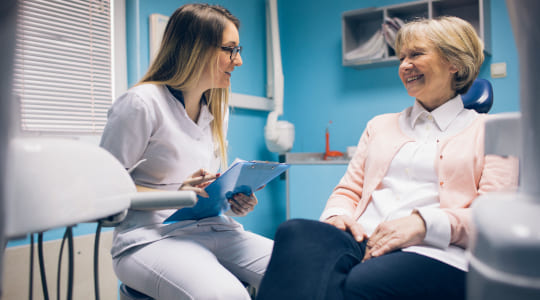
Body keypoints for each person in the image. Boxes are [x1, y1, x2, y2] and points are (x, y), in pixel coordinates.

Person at [256, 16, 519, 300]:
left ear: (454, 62)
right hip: (359, 239)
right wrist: (338, 217)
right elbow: (349, 190)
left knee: (356, 283)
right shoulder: (379, 125)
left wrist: (424, 224)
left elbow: (493, 219)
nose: (405, 65)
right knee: (295, 232)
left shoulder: (494, 132)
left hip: (434, 250)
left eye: (416, 54)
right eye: (401, 57)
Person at [100, 4, 273, 300]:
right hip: (147, 238)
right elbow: (102, 190)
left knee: (302, 272)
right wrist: (178, 193)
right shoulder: (142, 103)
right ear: (196, 49)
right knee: (228, 296)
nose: (239, 60)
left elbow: (203, 186)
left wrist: (231, 196)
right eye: (230, 49)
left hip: (214, 228)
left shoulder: (216, 110)